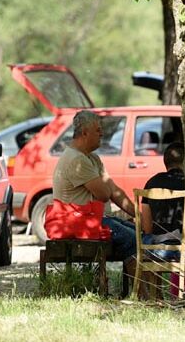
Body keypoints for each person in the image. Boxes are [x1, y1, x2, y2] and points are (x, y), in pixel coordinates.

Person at [49, 110, 136, 260]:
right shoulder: (77, 160)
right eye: (98, 130)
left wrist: (139, 216)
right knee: (136, 241)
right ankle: (138, 283)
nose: (101, 134)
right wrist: (107, 187)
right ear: (84, 133)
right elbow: (104, 194)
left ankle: (137, 282)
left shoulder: (92, 158)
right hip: (83, 222)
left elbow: (113, 190)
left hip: (97, 219)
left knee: (141, 234)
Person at [141, 142, 185, 260]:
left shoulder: (151, 183)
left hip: (157, 250)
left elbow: (147, 227)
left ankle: (147, 279)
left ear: (165, 162)